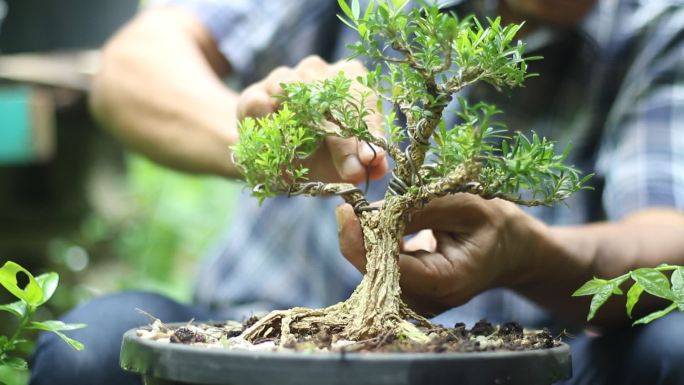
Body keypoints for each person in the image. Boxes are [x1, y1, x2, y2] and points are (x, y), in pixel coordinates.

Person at [30, 1, 684, 384]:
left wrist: (529, 252)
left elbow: (667, 236)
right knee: (94, 343)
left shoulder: (657, 21)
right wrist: (267, 144)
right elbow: (135, 66)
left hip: (533, 357)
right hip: (262, 325)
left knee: (672, 346)